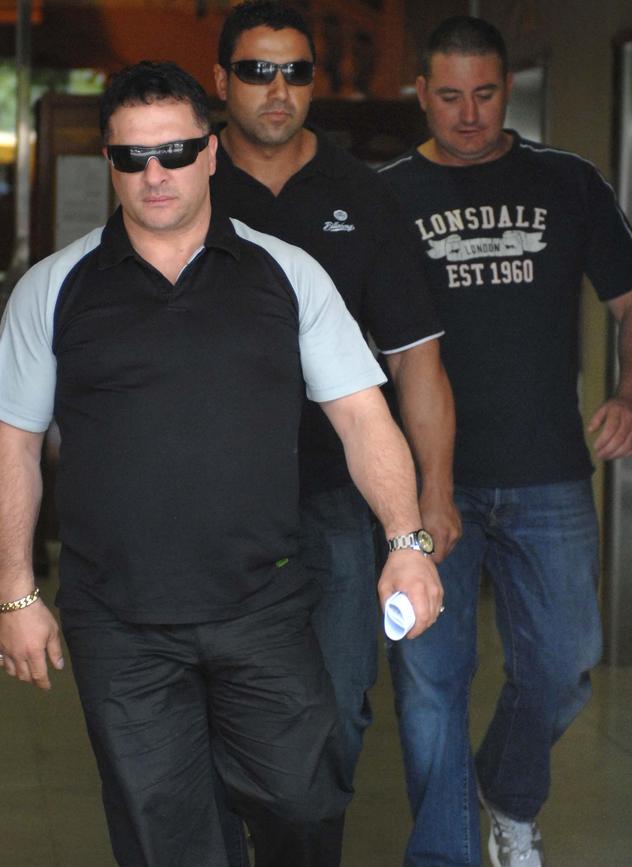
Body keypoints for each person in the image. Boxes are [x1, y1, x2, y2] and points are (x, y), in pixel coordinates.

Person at [0, 61, 444, 867]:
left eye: (173, 151)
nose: (155, 174)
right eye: (132, 157)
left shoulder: (289, 274)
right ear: (111, 163)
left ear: (211, 153)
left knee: (304, 799)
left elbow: (361, 415)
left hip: (263, 603)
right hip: (120, 617)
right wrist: (15, 591)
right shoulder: (53, 289)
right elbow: (14, 446)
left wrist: (406, 544)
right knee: (166, 834)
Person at [379, 15, 632, 867]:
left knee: (567, 662)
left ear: (507, 89)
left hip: (548, 474)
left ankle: (507, 789)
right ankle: (450, 853)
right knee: (431, 687)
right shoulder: (385, 195)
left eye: (485, 95)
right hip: (428, 481)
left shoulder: (567, 182)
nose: (468, 115)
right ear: (421, 93)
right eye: (449, 96)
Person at [212, 0, 459, 784]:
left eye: (295, 72)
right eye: (257, 71)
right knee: (215, 702)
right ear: (222, 81)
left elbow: (417, 360)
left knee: (340, 702)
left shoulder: (365, 193)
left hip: (340, 494)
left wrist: (432, 497)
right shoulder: (183, 183)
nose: (277, 89)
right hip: (214, 496)